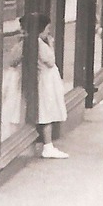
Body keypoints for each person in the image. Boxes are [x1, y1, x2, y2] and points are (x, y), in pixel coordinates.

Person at [33, 16, 69, 158]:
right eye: (47, 29)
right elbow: (50, 61)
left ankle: (47, 144)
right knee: (47, 110)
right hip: (46, 81)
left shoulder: (35, 43)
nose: (48, 32)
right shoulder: (40, 44)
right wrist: (51, 45)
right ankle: (48, 146)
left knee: (46, 109)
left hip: (47, 80)